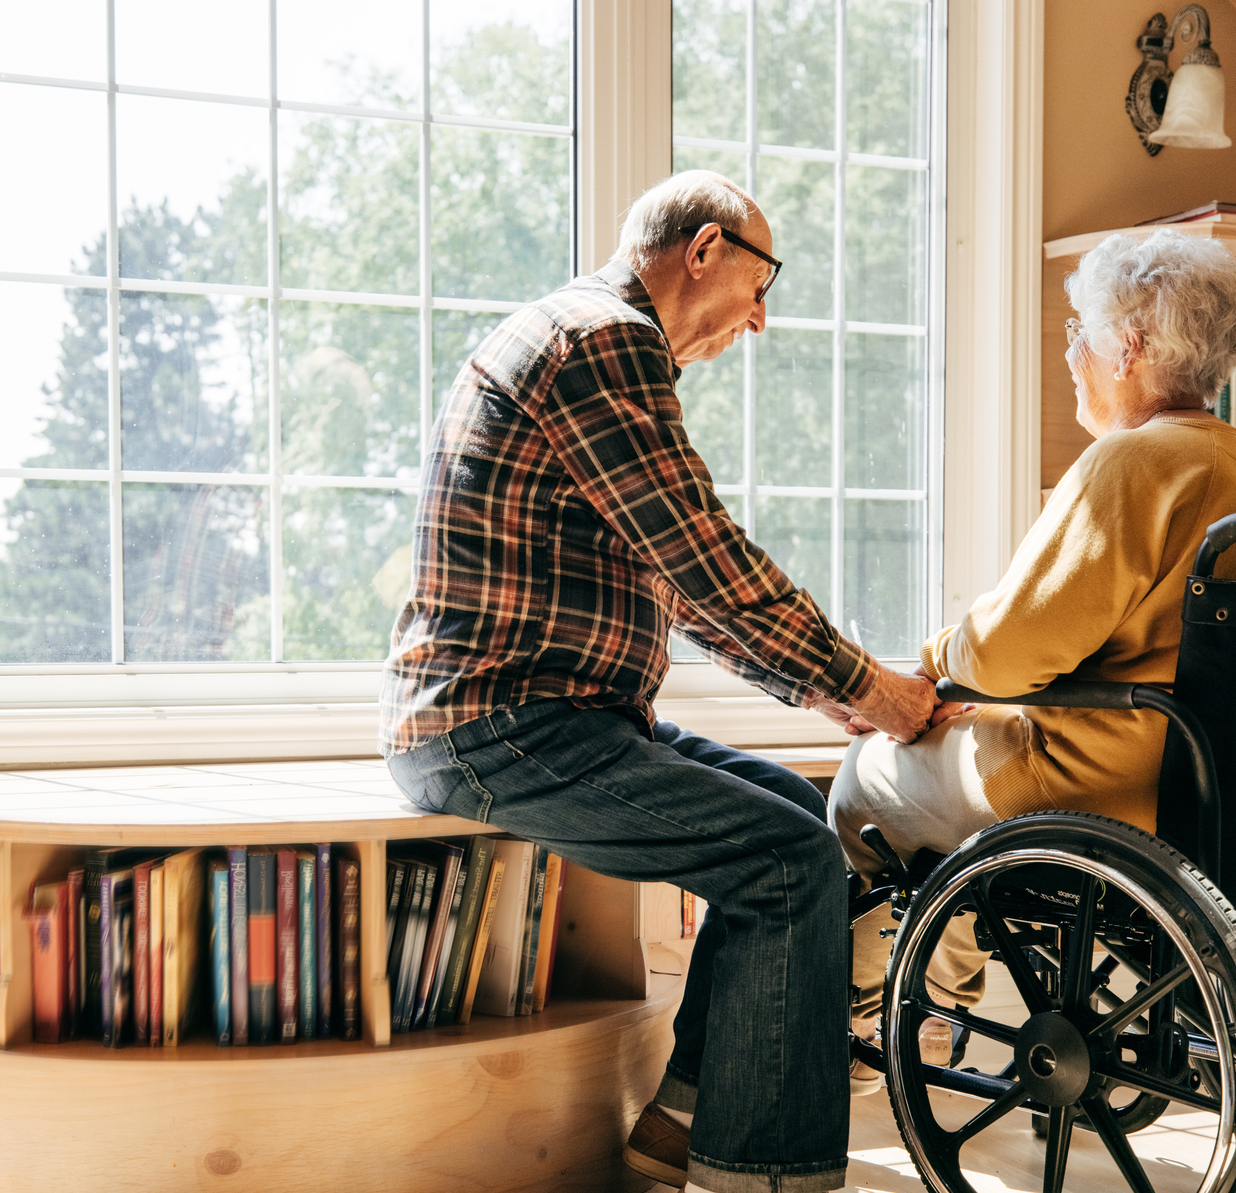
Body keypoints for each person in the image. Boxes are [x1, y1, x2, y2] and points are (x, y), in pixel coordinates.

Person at [381, 170, 936, 1193]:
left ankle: (679, 1129)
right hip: (499, 723)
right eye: (761, 286)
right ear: (707, 249)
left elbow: (676, 588)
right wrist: (877, 688)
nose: (760, 321)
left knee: (790, 811)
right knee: (784, 862)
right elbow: (706, 560)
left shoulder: (586, 340)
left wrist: (822, 693)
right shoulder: (601, 340)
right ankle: (762, 1174)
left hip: (554, 714)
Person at [831, 228, 1236, 1075]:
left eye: (1079, 334)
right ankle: (934, 1009)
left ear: (1129, 346)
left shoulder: (1133, 463)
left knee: (868, 779)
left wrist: (932, 663)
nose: (1071, 356)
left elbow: (1004, 650)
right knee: (938, 772)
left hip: (1105, 789)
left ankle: (876, 1018)